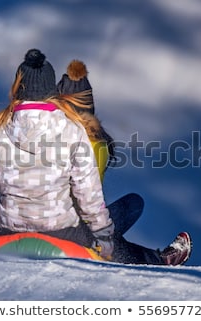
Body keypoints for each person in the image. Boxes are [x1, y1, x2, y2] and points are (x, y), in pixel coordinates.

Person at [0, 48, 191, 265]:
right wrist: (104, 237)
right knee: (114, 228)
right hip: (62, 230)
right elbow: (88, 194)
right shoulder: (72, 130)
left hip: (9, 227)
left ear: (17, 87)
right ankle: (156, 260)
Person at [56, 59, 143, 236]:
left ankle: (153, 258)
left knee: (128, 207)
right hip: (73, 229)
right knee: (132, 205)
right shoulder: (97, 144)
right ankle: (154, 258)